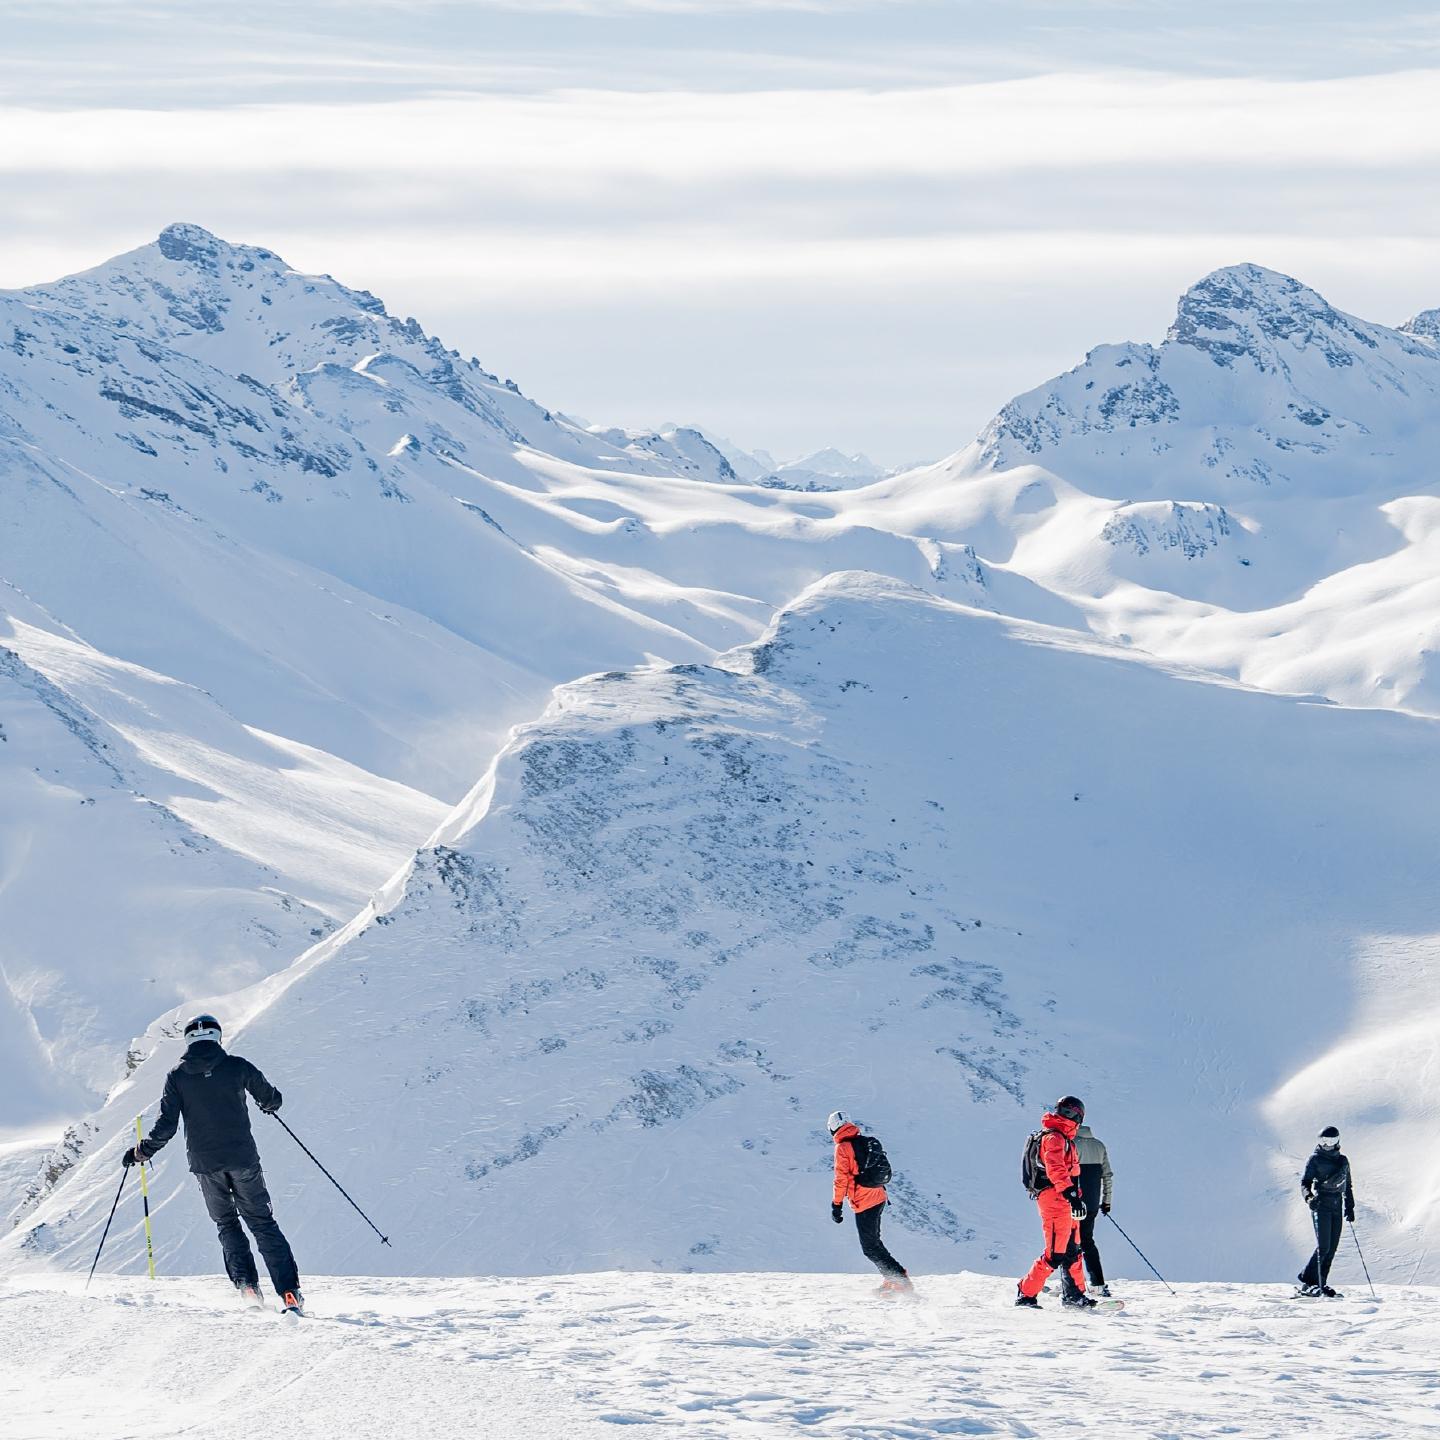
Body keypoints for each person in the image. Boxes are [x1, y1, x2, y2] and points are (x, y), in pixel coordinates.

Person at [123, 1013, 304, 1314]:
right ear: (217, 1037)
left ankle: (247, 1288)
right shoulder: (237, 1066)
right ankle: (289, 1294)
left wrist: (141, 1152)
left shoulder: (177, 1077)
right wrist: (267, 1103)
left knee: (227, 1223)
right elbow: (272, 1099)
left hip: (205, 1165)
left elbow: (166, 1126)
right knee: (262, 1223)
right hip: (243, 1159)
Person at [1016, 1095, 1096, 1309]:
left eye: (1069, 1112)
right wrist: (1071, 1194)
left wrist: (1076, 1199)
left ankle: (1074, 1294)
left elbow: (1069, 1173)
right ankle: (1025, 1292)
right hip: (1054, 1200)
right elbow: (1056, 1170)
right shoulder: (1054, 1138)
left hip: (1067, 1201)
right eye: (1064, 1110)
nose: (1066, 1115)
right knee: (1055, 1253)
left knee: (1073, 1249)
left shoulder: (1064, 1138)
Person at [828, 1110, 913, 1293]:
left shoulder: (843, 1148)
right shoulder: (866, 1142)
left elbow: (841, 1179)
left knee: (870, 1247)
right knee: (874, 1243)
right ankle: (892, 1278)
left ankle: (900, 1280)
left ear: (832, 1129)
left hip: (864, 1201)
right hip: (879, 1196)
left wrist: (836, 1205)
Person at [1297, 1125, 1355, 1298]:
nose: (1328, 1145)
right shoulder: (1315, 1160)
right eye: (1324, 1141)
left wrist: (1349, 1207)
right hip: (1321, 1205)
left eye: (1331, 1141)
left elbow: (1348, 1186)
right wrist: (1309, 1198)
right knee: (1324, 1246)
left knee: (1332, 1248)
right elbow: (1305, 1183)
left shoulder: (1343, 1161)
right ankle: (1309, 1283)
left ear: (1338, 1141)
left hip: (1337, 1206)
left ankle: (1321, 1283)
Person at [1074, 1119, 1114, 1296]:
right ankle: (1098, 1284)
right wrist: (1107, 1201)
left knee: (1067, 1243)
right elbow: (1107, 1175)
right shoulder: (1099, 1146)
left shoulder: (1070, 1144)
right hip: (1092, 1204)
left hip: (1073, 1204)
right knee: (1087, 1241)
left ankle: (1071, 1284)